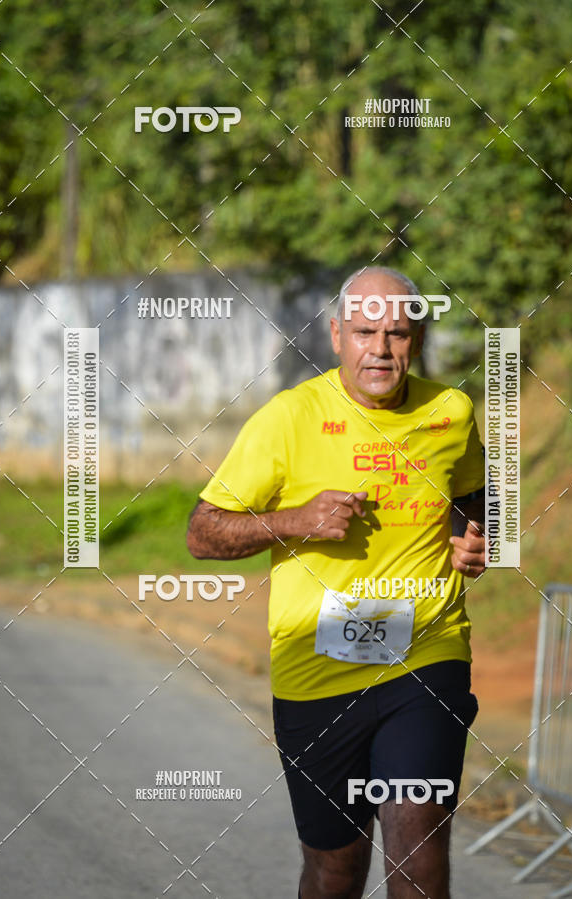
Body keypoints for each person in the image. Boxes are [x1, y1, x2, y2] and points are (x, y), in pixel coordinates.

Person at [187, 266, 486, 898]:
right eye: (364, 332)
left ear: (419, 338)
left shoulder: (452, 413)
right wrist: (294, 520)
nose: (380, 348)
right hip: (315, 672)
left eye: (398, 334)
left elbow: (473, 501)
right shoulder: (288, 419)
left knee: (418, 846)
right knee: (335, 869)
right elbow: (203, 532)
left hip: (424, 658)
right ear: (335, 336)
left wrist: (475, 538)